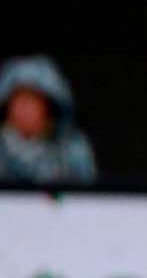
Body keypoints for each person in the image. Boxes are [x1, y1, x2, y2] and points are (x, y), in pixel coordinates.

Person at [0, 55, 97, 186]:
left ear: (48, 106)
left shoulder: (72, 152)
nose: (24, 109)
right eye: (18, 100)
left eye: (33, 100)